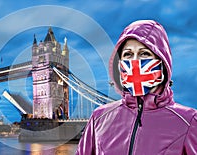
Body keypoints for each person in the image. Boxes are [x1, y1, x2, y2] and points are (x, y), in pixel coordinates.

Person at [76, 20, 197, 155]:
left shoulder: (189, 121)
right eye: (128, 54)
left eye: (144, 53)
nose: (135, 61)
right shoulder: (99, 119)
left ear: (162, 61)